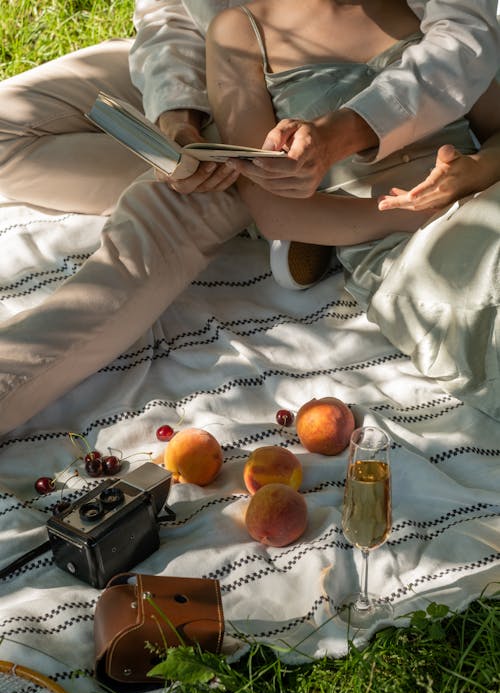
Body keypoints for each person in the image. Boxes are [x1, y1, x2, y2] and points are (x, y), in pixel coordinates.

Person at [0, 1, 499, 435]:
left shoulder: (417, 20)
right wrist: (177, 120)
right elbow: (167, 16)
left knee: (154, 222)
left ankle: (302, 205)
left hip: (318, 101)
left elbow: (466, 44)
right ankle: (290, 206)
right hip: (231, 69)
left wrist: (338, 142)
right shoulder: (240, 29)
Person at [205, 0, 500, 420]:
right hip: (403, 241)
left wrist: (474, 173)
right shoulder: (241, 31)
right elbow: (275, 212)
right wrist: (420, 209)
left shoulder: (430, 11)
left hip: (484, 195)